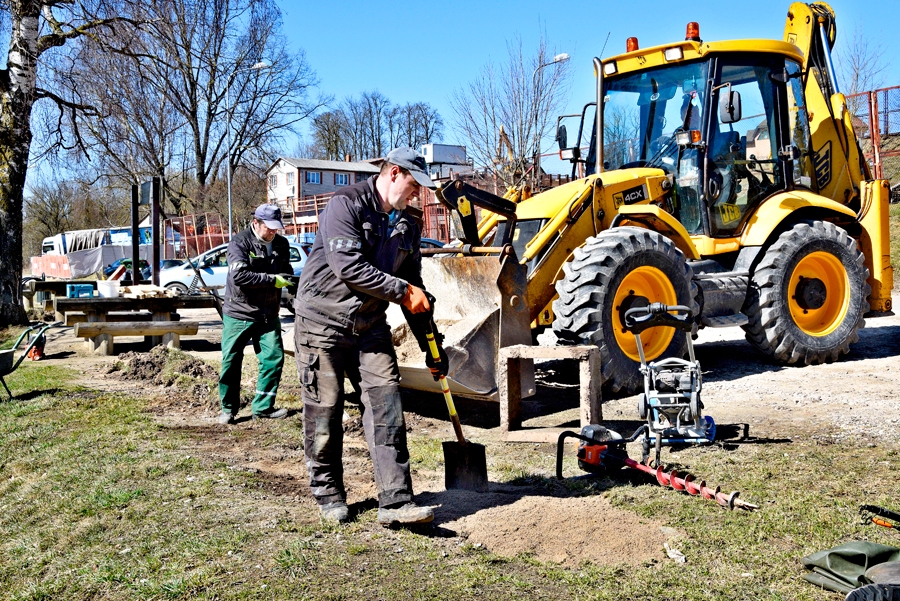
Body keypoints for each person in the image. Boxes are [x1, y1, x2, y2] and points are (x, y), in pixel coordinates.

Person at [293, 147, 447, 526]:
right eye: (413, 185)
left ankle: (396, 502)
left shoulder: (409, 222)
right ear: (393, 173)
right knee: (325, 412)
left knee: (387, 406)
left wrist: (433, 347)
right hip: (321, 324)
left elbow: (414, 290)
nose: (417, 195)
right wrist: (402, 291)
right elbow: (348, 267)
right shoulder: (346, 205)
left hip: (370, 326)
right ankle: (329, 494)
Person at [217, 203, 295, 425]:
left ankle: (263, 407)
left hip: (268, 314)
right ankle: (228, 409)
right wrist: (272, 280)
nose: (273, 232)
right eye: (269, 227)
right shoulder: (239, 243)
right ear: (255, 223)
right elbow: (240, 277)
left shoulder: (281, 243)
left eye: (276, 228)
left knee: (273, 359)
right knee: (231, 361)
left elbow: (285, 270)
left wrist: (291, 282)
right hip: (239, 312)